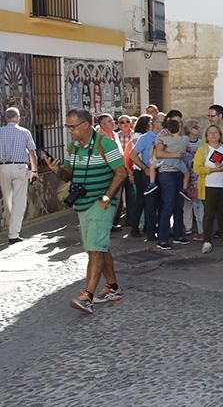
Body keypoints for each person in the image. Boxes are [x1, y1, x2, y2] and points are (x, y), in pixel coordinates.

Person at [43, 109, 127, 314]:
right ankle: (113, 287)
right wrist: (57, 169)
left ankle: (87, 296)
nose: (69, 131)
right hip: (83, 204)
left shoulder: (105, 143)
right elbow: (68, 175)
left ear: (86, 125)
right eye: (67, 126)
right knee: (97, 247)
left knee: (95, 248)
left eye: (72, 126)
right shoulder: (72, 147)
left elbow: (121, 172)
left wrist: (107, 198)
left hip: (100, 203)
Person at [193, 124, 223, 254]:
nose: (213, 135)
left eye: (216, 132)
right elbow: (197, 168)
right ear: (206, 136)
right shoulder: (203, 150)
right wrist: (212, 169)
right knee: (209, 214)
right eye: (210, 133)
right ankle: (207, 240)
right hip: (208, 186)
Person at [0, 107, 38, 245]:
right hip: (20, 167)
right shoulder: (24, 132)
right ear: (18, 117)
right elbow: (32, 153)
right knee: (19, 201)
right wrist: (34, 170)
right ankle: (13, 233)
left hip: (3, 167)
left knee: (7, 199)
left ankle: (10, 226)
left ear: (6, 118)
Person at [153, 118, 192, 250]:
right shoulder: (162, 136)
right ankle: (163, 238)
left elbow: (187, 149)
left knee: (179, 204)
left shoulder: (181, 137)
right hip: (167, 172)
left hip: (179, 171)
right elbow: (158, 153)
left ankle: (178, 234)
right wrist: (176, 155)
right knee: (168, 204)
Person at [130, 113, 163, 242]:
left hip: (162, 172)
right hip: (147, 174)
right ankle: (146, 231)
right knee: (147, 202)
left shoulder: (166, 137)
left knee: (159, 202)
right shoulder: (145, 138)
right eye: (161, 122)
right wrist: (144, 168)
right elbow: (133, 155)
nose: (163, 124)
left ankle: (156, 228)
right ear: (154, 123)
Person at [181, 120, 205, 241]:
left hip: (197, 176)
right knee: (187, 203)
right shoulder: (184, 142)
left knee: (198, 203)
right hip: (186, 175)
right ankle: (187, 227)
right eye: (195, 127)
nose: (197, 129)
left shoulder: (201, 143)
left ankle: (201, 229)